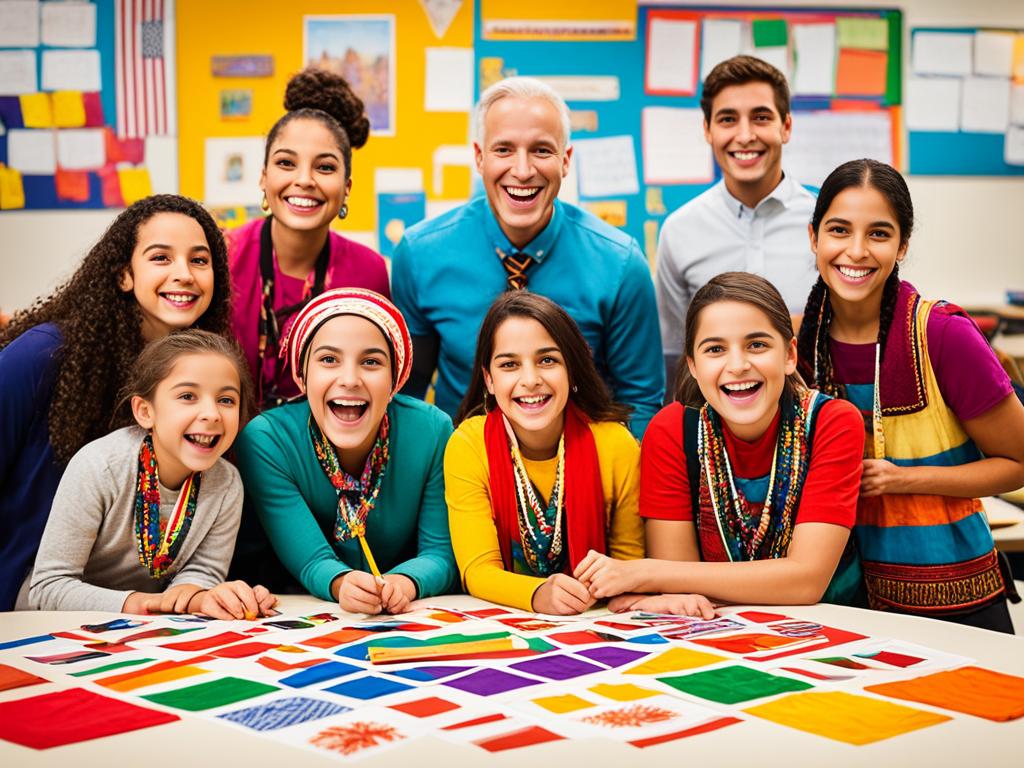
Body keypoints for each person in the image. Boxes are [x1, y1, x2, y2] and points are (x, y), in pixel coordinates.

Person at [796, 159, 1024, 633]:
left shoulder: (941, 334)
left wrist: (905, 480)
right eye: (839, 230)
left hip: (953, 597)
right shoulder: (792, 343)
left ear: (902, 245)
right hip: (835, 601)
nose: (855, 251)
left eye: (878, 234)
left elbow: (1019, 461)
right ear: (814, 236)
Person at [574, 273, 864, 615]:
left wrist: (643, 572)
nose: (738, 365)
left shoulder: (832, 423)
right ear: (693, 366)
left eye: (757, 345)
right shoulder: (671, 432)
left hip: (838, 627)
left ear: (789, 355)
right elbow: (681, 591)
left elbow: (807, 581)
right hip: (716, 629)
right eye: (715, 349)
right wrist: (667, 580)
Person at [392, 76, 662, 439]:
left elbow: (641, 402)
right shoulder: (420, 254)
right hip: (461, 468)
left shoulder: (621, 265)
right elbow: (408, 398)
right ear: (479, 157)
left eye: (541, 150)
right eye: (503, 149)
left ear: (565, 161)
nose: (522, 170)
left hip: (580, 470)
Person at [0, 195, 233, 611]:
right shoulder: (42, 355)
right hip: (27, 594)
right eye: (161, 258)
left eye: (200, 261)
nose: (184, 275)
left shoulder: (209, 377)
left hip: (136, 609)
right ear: (125, 274)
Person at [19, 331, 275, 619]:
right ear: (144, 411)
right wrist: (143, 603)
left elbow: (202, 573)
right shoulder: (100, 466)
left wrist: (206, 598)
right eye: (188, 396)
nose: (212, 414)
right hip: (49, 626)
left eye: (226, 400)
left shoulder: (227, 483)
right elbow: (47, 588)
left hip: (144, 627)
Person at [236, 288, 458, 614]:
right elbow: (311, 559)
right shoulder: (268, 439)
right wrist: (342, 583)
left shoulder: (432, 430)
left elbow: (440, 553)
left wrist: (403, 583)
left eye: (371, 362)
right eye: (328, 360)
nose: (350, 379)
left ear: (395, 379)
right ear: (303, 375)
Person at [445, 292, 644, 614]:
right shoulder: (469, 443)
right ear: (489, 380)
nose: (530, 380)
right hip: (504, 620)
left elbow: (627, 563)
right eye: (509, 365)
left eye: (547, 360)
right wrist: (538, 594)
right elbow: (477, 571)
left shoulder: (616, 443)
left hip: (598, 616)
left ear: (573, 370)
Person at [228, 67, 389, 410]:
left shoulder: (368, 271)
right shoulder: (223, 256)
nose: (304, 180)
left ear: (346, 188)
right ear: (263, 177)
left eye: (325, 167)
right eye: (286, 163)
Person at [656, 55, 817, 388]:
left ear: (785, 127)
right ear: (708, 130)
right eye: (728, 119)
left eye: (760, 117)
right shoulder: (679, 230)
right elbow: (675, 354)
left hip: (818, 423)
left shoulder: (825, 224)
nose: (745, 136)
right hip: (714, 427)